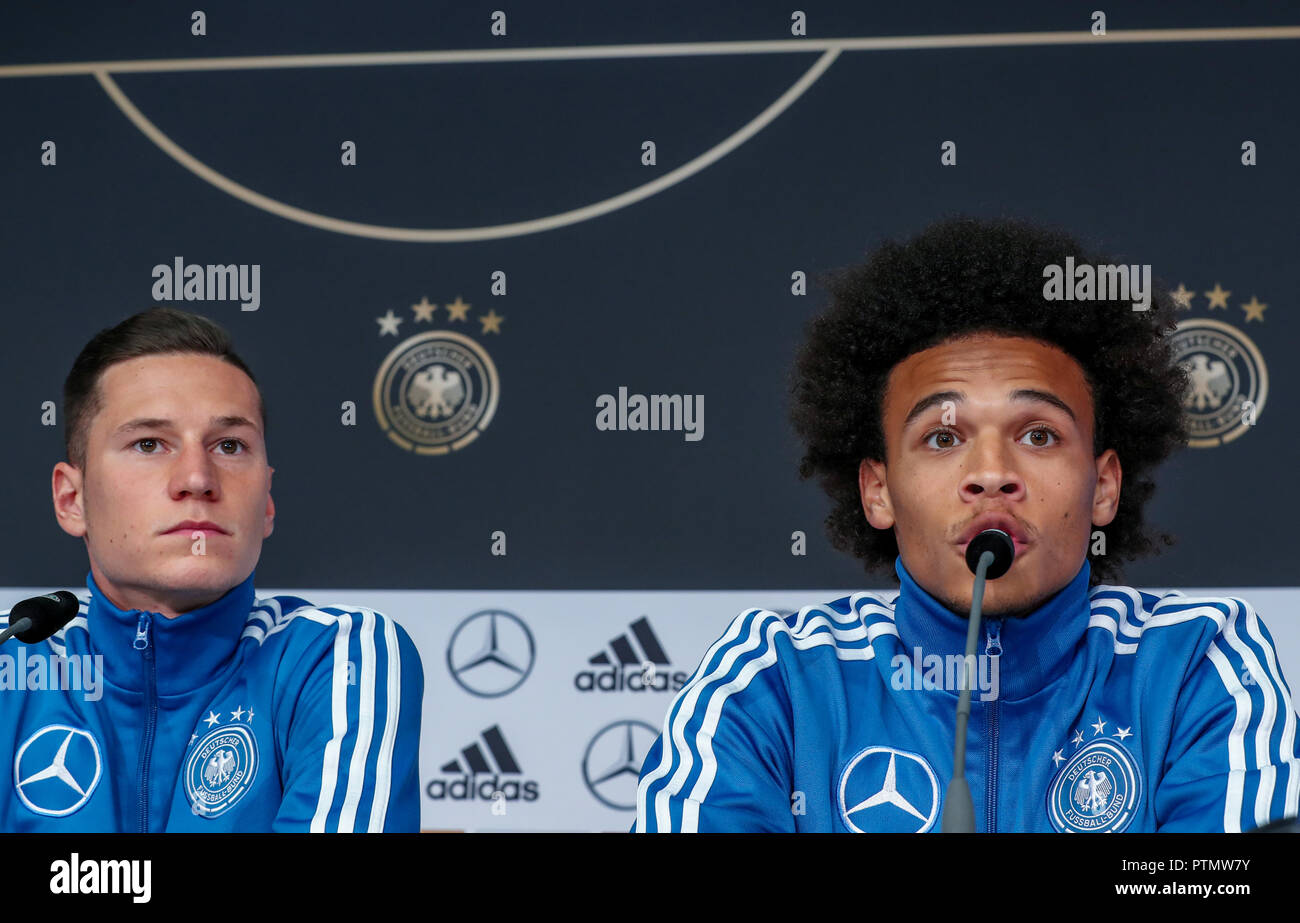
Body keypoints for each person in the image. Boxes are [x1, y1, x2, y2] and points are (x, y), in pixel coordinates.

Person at [634, 215, 1299, 832]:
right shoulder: (777, 679)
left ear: (1102, 486)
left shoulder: (1195, 663)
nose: (991, 473)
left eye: (1038, 435)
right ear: (878, 490)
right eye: (943, 438)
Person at [0, 307, 423, 831]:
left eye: (229, 446)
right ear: (72, 498)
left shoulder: (338, 656)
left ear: (267, 501)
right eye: (149, 444)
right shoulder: (12, 662)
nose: (198, 478)